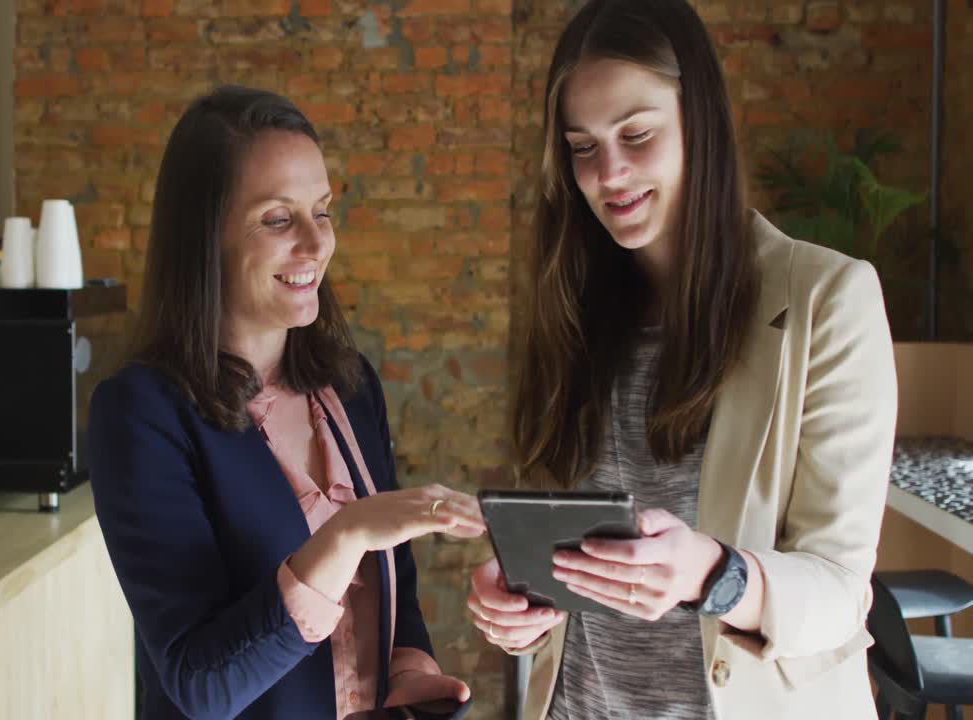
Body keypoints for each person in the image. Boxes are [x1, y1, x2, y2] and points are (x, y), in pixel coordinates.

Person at [465, 1, 897, 718]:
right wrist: (519, 605)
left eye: (637, 134)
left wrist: (715, 575)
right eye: (582, 146)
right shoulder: (569, 309)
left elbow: (842, 589)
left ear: (701, 121)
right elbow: (560, 556)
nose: (610, 174)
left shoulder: (829, 298)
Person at [88, 85, 484, 720]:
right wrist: (348, 533)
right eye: (278, 219)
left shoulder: (351, 387)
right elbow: (199, 684)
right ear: (204, 237)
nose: (316, 242)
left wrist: (410, 672)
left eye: (322, 212)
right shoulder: (140, 414)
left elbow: (397, 591)